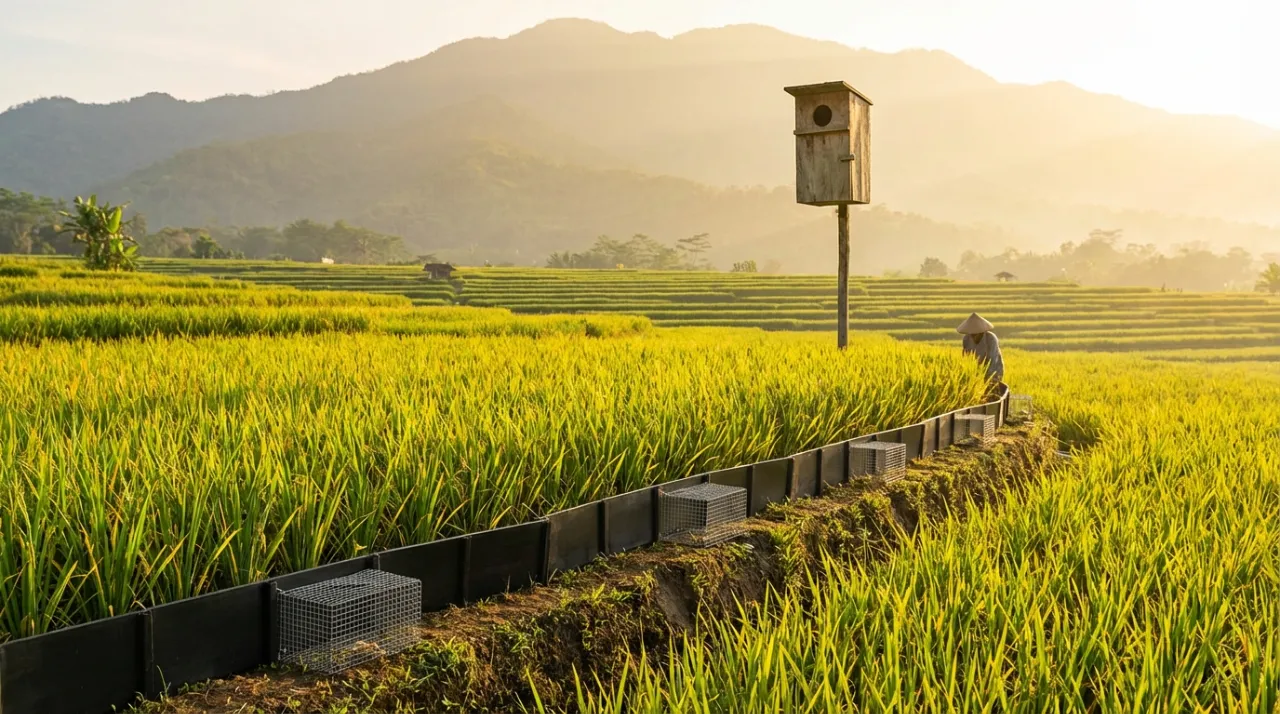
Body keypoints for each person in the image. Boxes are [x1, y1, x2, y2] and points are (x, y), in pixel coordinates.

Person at [957, 312, 1004, 382]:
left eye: (975, 334)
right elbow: (966, 359)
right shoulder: (966, 339)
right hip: (975, 373)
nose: (972, 336)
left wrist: (986, 377)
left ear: (981, 332)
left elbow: (993, 360)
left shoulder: (990, 339)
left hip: (994, 371)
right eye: (971, 334)